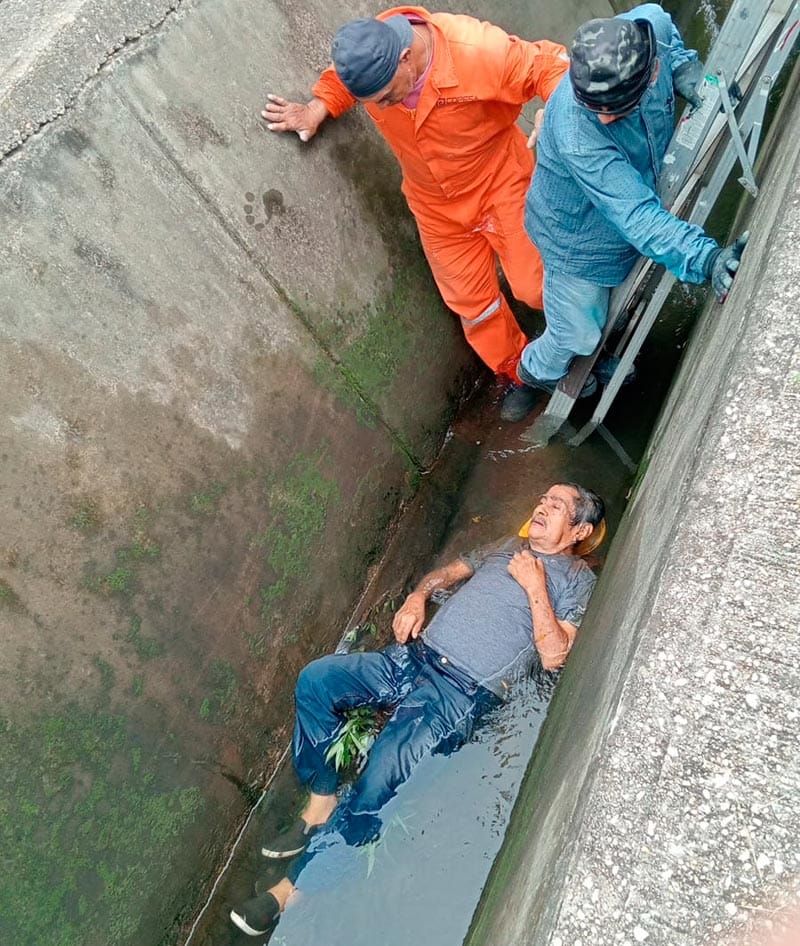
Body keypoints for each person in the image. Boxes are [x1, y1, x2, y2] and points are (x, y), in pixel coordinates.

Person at [230, 482, 605, 939]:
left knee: (377, 780)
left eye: (557, 505)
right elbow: (448, 573)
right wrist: (418, 596)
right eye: (543, 499)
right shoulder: (509, 544)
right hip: (412, 658)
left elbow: (554, 655)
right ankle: (321, 800)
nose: (542, 507)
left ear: (579, 529)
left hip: (458, 695)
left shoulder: (576, 580)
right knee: (318, 680)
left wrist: (535, 586)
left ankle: (292, 890)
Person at [261, 7, 570, 410]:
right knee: (473, 306)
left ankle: (583, 342)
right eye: (374, 102)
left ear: (406, 57)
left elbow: (550, 65)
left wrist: (558, 110)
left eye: (388, 96)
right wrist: (317, 109)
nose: (385, 107)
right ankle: (521, 372)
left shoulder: (477, 51)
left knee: (535, 287)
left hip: (501, 182)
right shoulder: (371, 56)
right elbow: (341, 79)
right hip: (435, 208)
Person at [501, 3, 749, 422]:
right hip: (575, 239)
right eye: (595, 107)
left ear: (651, 71)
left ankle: (596, 351)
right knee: (575, 331)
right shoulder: (578, 132)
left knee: (603, 313)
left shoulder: (647, 26)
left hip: (625, 192)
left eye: (614, 108)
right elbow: (637, 217)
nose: (603, 116)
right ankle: (532, 373)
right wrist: (707, 259)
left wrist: (686, 68)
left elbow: (664, 30)